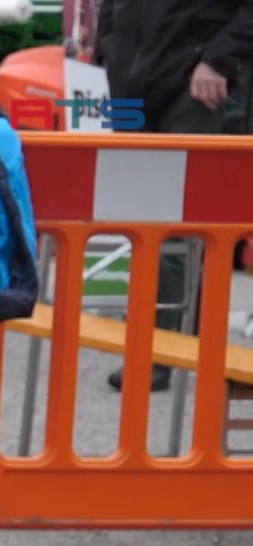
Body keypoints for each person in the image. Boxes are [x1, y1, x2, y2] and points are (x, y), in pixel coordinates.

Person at [99, 0, 253, 391]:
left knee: (171, 220)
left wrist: (219, 60)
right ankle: (179, 333)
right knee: (145, 215)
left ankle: (157, 349)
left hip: (193, 79)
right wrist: (107, 46)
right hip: (132, 77)